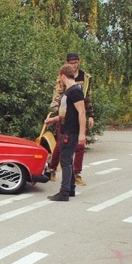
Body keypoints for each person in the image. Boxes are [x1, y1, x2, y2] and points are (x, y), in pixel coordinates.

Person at [48, 52, 94, 185]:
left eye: (75, 63)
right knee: (60, 144)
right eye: (71, 63)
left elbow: (88, 98)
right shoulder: (63, 77)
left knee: (80, 145)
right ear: (67, 63)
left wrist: (90, 115)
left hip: (79, 113)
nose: (73, 65)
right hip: (65, 114)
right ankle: (52, 168)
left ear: (79, 62)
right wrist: (55, 111)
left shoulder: (85, 77)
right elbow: (57, 95)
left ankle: (76, 173)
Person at [45, 64, 86, 202]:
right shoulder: (69, 91)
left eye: (59, 77)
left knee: (65, 161)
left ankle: (64, 192)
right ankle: (71, 188)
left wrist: (82, 134)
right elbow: (67, 113)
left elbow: (82, 112)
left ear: (63, 76)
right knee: (68, 160)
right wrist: (53, 120)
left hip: (71, 131)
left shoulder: (75, 91)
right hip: (65, 129)